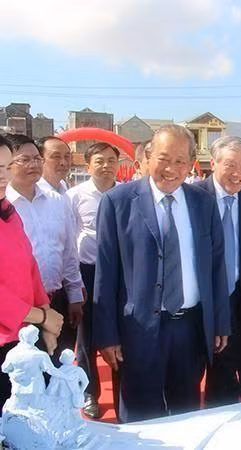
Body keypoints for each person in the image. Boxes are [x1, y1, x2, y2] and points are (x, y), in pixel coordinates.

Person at [93, 125, 231, 423]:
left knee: (187, 411)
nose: (171, 169)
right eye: (164, 158)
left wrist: (220, 321)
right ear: (147, 157)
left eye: (181, 161)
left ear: (192, 163)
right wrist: (107, 335)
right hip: (139, 328)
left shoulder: (203, 202)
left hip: (190, 327)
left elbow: (216, 266)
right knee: (141, 414)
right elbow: (105, 273)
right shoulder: (117, 202)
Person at [4, 134, 83, 366]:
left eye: (37, 158)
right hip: (19, 312)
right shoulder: (5, 207)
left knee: (60, 371)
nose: (34, 164)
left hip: (56, 302)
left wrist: (75, 293)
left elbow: (69, 251)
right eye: (24, 159)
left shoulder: (58, 201)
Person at [0, 135, 64, 412]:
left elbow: (31, 267)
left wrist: (46, 320)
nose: (2, 176)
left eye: (4, 167)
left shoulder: (8, 212)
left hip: (24, 336)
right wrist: (42, 317)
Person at [196, 137, 241, 406]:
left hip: (234, 292)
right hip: (197, 297)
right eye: (230, 165)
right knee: (193, 363)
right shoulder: (194, 197)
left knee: (226, 359)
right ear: (213, 163)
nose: (238, 173)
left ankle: (220, 409)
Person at [66, 142, 120, 418]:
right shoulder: (75, 196)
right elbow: (70, 237)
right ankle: (91, 394)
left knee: (121, 334)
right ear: (88, 165)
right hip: (88, 272)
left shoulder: (126, 194)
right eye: (99, 160)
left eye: (111, 160)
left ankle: (124, 394)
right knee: (86, 340)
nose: (106, 166)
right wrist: (75, 281)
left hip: (121, 276)